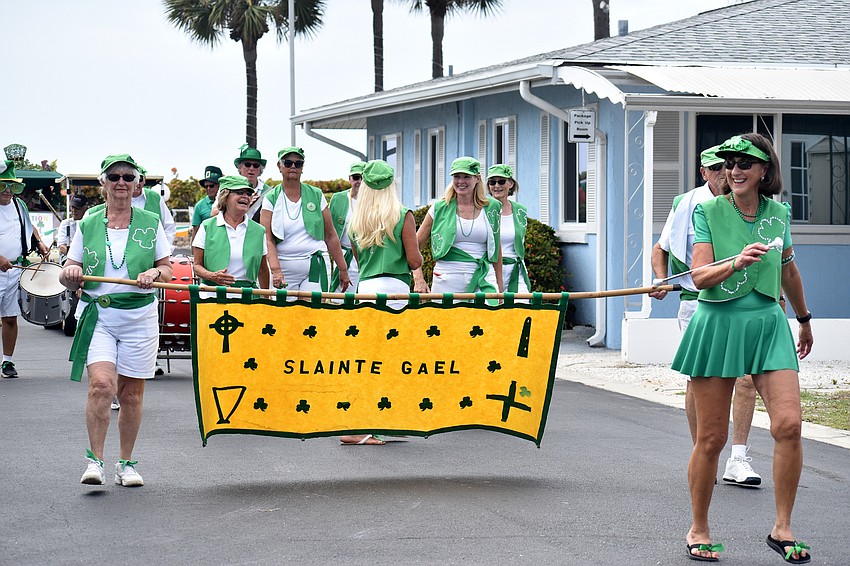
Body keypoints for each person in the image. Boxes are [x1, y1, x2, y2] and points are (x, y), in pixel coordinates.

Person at [671, 134, 813, 562]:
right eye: (729, 163)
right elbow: (698, 276)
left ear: (765, 169)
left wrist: (804, 319)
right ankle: (698, 529)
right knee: (712, 438)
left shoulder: (779, 213)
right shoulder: (708, 211)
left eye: (745, 163)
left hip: (768, 324)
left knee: (789, 425)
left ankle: (782, 528)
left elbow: (788, 270)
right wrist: (735, 262)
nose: (734, 170)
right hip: (719, 324)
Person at [651, 146, 762, 487]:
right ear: (703, 173)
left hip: (742, 300)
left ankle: (738, 458)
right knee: (700, 380)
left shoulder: (747, 204)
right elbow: (661, 249)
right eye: (717, 168)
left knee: (745, 377)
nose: (726, 173)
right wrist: (661, 280)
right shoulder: (688, 204)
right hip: (696, 300)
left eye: (730, 166)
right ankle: (704, 454)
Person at [59, 153, 172, 487]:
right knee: (101, 385)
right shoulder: (89, 222)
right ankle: (95, 461)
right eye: (114, 177)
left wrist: (154, 273)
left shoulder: (151, 221)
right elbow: (69, 269)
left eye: (127, 177)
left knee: (131, 394)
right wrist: (71, 273)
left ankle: (126, 464)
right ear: (103, 183)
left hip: (139, 317)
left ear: (137, 183)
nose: (121, 182)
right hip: (99, 315)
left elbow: (167, 269)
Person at [339, 160, 422, 445]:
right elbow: (414, 261)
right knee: (391, 360)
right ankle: (362, 426)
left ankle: (371, 421)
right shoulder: (402, 215)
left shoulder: (356, 220)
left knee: (367, 358)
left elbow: (359, 261)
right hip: (395, 289)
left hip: (366, 288)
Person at [260, 146, 351, 296]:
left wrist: (343, 269)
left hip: (315, 263)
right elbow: (267, 238)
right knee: (284, 310)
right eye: (288, 163)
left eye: (298, 163)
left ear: (302, 167)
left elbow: (330, 235)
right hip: (283, 266)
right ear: (279, 166)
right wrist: (275, 270)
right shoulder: (271, 197)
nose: (293, 166)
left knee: (314, 309)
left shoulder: (316, 194)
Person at [413, 157, 503, 302]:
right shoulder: (439, 208)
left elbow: (496, 249)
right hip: (447, 278)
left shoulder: (493, 207)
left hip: (484, 276)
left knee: (489, 315)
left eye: (466, 176)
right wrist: (419, 279)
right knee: (447, 317)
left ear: (477, 179)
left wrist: (500, 288)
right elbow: (415, 246)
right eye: (457, 176)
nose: (461, 181)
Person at [0, 159, 50, 378]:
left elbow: (28, 227)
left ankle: (7, 361)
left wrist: (39, 244)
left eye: (12, 186)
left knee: (10, 318)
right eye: (3, 185)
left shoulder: (19, 205)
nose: (8, 190)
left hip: (15, 270)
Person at [192, 175, 270, 299]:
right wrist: (212, 276)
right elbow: (196, 266)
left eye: (249, 193)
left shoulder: (259, 230)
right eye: (239, 192)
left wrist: (266, 300)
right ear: (225, 197)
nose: (245, 196)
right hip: (212, 297)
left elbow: (263, 270)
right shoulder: (207, 226)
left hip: (248, 299)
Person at [486, 164, 530, 297]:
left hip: (515, 271)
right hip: (489, 271)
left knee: (521, 306)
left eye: (501, 181)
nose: (496, 186)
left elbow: (520, 243)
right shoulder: (482, 209)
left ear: (511, 184)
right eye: (492, 182)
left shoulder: (520, 210)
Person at [329, 161, 366, 293]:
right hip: (343, 255)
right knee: (340, 296)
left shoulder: (374, 201)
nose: (359, 181)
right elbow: (328, 230)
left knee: (363, 296)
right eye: (356, 177)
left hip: (366, 257)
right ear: (350, 179)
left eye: (363, 178)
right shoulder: (338, 198)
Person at [233, 145, 274, 222]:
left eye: (256, 165)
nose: (251, 168)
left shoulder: (269, 192)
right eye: (247, 164)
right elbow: (214, 213)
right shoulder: (230, 188)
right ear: (240, 168)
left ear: (260, 169)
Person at [191, 165, 222, 241]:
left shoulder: (229, 203)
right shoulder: (199, 206)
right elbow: (195, 231)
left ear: (220, 185)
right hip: (206, 245)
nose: (208, 188)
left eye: (211, 186)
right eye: (206, 186)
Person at [57, 193, 89, 258]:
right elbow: (61, 246)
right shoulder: (65, 223)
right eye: (72, 207)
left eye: (77, 208)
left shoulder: (90, 223)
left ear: (85, 208)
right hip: (70, 257)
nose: (74, 210)